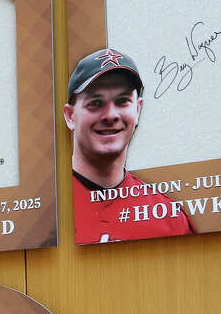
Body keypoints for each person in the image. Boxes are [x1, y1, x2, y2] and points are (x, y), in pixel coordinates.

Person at [64, 48, 195, 244]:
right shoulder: (43, 211)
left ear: (138, 110)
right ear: (70, 116)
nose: (110, 115)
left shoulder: (168, 217)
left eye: (122, 101)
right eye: (95, 102)